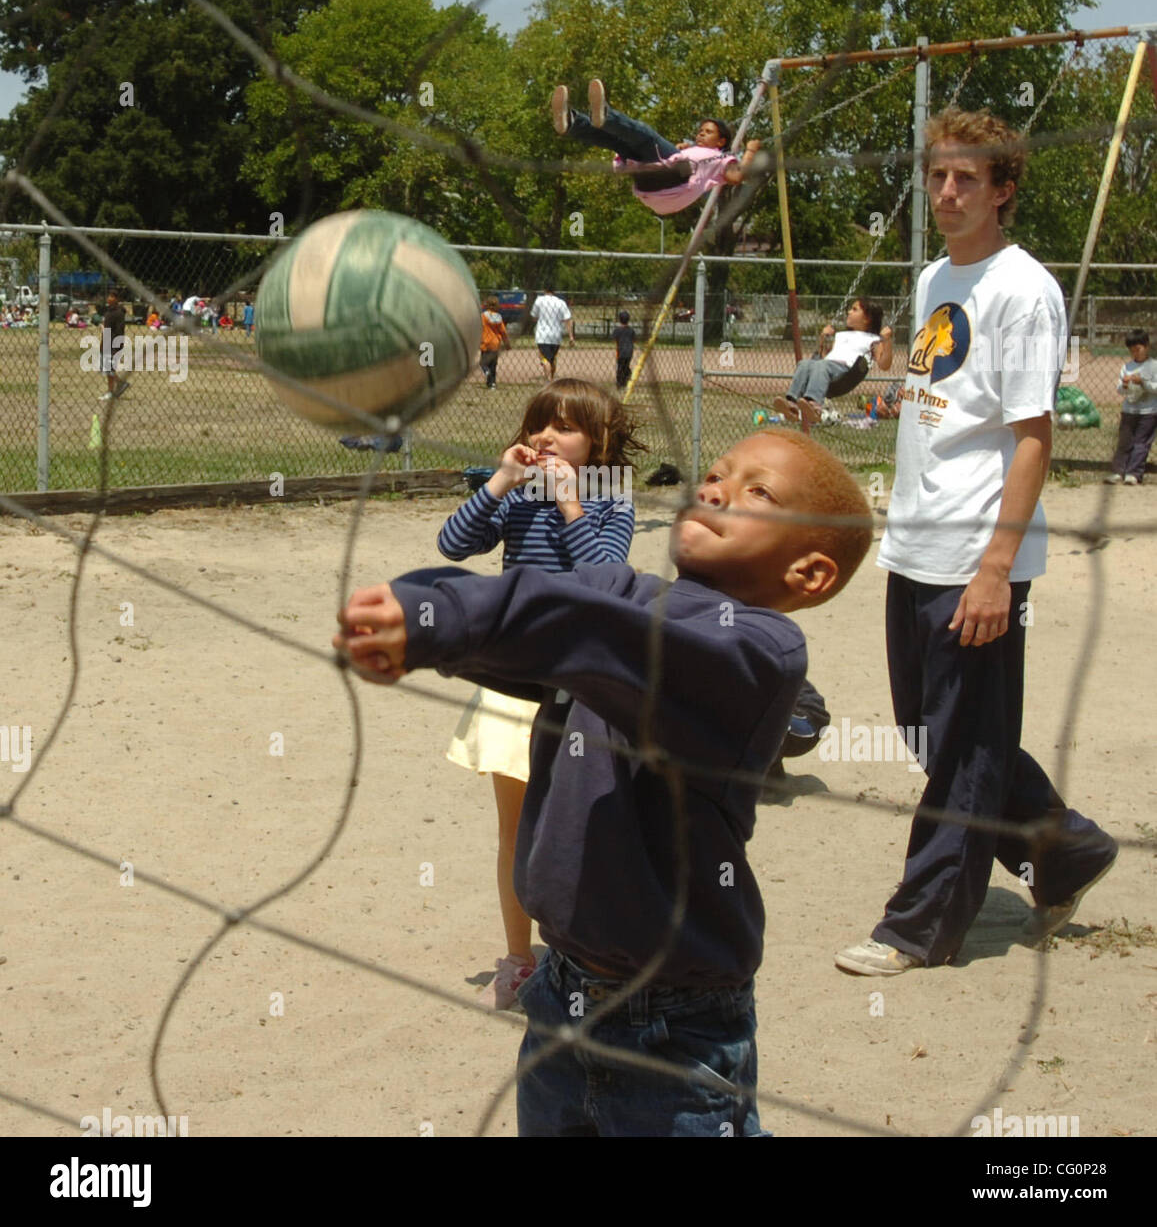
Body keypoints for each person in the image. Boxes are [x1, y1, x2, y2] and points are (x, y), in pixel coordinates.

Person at [335, 428, 873, 1136]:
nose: (716, 489)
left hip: (676, 1025)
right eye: (715, 472)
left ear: (808, 573)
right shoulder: (621, 592)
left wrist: (458, 620)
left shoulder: (759, 653)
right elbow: (534, 630)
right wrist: (422, 616)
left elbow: (601, 639)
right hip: (560, 995)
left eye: (757, 491)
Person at [836, 107, 1118, 979]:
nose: (948, 191)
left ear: (1002, 189)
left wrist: (996, 568)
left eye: (968, 179)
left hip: (978, 558)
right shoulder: (931, 280)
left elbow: (1033, 436)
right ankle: (1063, 851)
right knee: (935, 736)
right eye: (937, 176)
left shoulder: (1021, 289)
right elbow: (938, 401)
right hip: (914, 544)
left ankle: (921, 926)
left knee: (960, 750)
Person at [436, 379, 643, 1011]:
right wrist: (499, 482)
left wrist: (572, 505)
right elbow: (452, 544)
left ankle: (586, 959)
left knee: (580, 823)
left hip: (579, 683)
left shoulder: (613, 501)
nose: (546, 437)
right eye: (539, 424)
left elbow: (604, 579)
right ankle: (520, 959)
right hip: (513, 682)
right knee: (517, 830)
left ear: (600, 445)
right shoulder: (517, 494)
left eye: (566, 428)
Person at [552, 79, 762, 216]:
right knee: (620, 144)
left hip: (675, 183)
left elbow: (737, 177)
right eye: (700, 130)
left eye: (708, 132)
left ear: (721, 142)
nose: (701, 133)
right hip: (653, 188)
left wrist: (750, 150)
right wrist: (684, 149)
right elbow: (685, 157)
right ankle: (573, 123)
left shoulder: (721, 159)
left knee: (644, 135)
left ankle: (607, 116)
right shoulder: (693, 151)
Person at [774, 299, 894, 422]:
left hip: (847, 372)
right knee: (804, 364)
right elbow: (824, 356)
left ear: (867, 318)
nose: (849, 312)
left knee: (821, 366)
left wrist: (887, 341)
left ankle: (814, 405)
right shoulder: (841, 335)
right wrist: (823, 338)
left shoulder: (873, 340)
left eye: (854, 309)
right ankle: (792, 404)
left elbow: (884, 365)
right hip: (828, 368)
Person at [1104, 329, 1157, 485]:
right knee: (1124, 442)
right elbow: (1120, 389)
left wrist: (1143, 383)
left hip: (1149, 412)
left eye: (1138, 349)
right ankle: (1118, 471)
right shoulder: (1127, 367)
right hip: (1129, 411)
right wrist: (1125, 385)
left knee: (1141, 443)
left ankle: (1133, 473)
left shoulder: (1154, 366)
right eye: (1132, 351)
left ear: (1147, 346)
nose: (1135, 353)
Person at [529, 289, 574, 382]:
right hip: (556, 335)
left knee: (545, 359)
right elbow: (568, 319)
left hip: (542, 335)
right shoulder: (561, 302)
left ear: (545, 290)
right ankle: (552, 379)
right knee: (552, 358)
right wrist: (571, 336)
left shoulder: (539, 300)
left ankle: (548, 381)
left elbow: (533, 316)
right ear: (554, 291)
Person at [99, 292, 129, 400]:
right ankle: (120, 384)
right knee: (108, 369)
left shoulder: (118, 313)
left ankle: (111, 391)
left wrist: (116, 347)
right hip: (106, 341)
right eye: (109, 296)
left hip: (112, 343)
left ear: (117, 299)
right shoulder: (109, 312)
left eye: (112, 296)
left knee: (109, 369)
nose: (109, 298)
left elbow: (119, 331)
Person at [478, 296, 511, 390]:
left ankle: (486, 372)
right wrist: (507, 343)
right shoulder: (499, 317)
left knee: (482, 363)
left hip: (485, 342)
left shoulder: (483, 316)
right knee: (493, 365)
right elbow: (503, 332)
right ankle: (492, 384)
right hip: (495, 343)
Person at [612, 308, 635, 391]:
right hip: (629, 351)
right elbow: (633, 339)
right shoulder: (631, 330)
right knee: (625, 365)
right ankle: (627, 376)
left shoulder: (617, 330)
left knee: (620, 368)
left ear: (619, 319)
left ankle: (620, 384)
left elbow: (615, 340)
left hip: (621, 351)